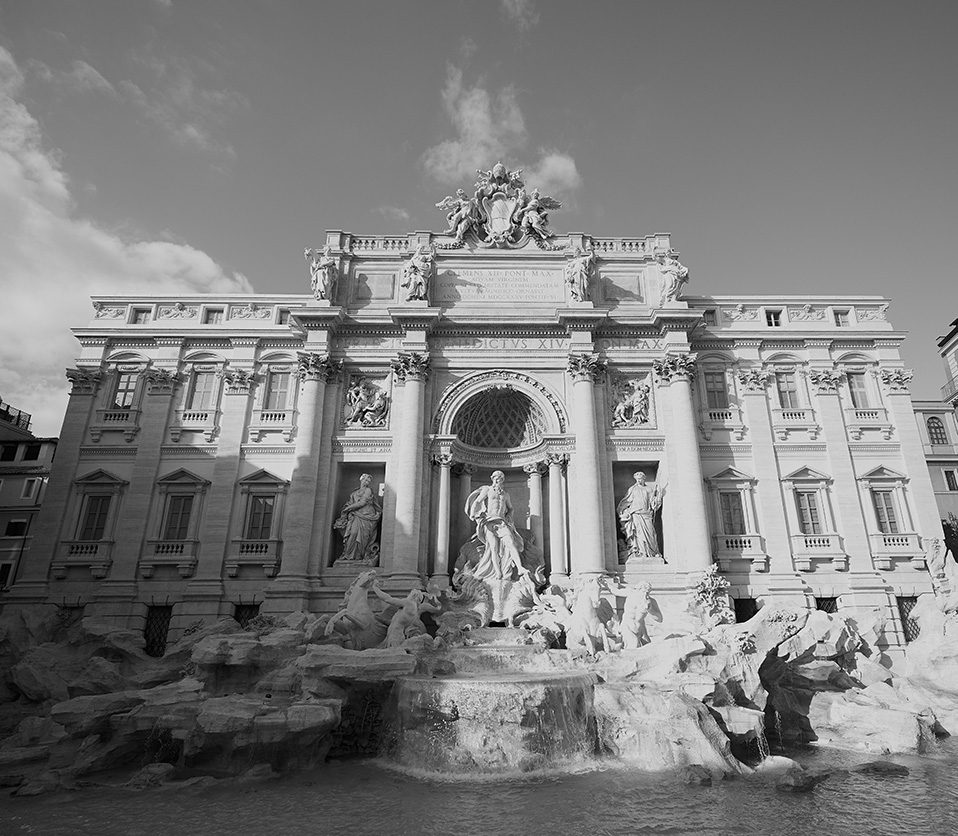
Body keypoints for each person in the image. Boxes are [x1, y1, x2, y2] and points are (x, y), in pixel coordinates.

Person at [465, 471, 528, 581]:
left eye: (499, 478)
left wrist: (509, 516)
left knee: (511, 543)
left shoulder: (505, 494)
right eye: (495, 478)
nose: (496, 480)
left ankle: (520, 568)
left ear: (502, 480)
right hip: (489, 521)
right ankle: (498, 573)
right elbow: (478, 501)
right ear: (492, 479)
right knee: (493, 548)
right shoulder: (487, 490)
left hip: (501, 522)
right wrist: (473, 514)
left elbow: (511, 508)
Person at [333, 474, 382, 563]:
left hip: (367, 516)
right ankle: (348, 555)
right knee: (353, 533)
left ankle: (359, 556)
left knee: (364, 537)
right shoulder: (354, 493)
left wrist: (349, 508)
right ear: (361, 480)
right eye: (365, 480)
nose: (366, 482)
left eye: (368, 481)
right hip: (356, 515)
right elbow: (349, 503)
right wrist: (347, 509)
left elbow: (363, 502)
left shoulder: (368, 490)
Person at [616, 472, 663, 560]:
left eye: (641, 479)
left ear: (644, 479)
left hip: (647, 515)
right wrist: (623, 512)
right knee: (638, 534)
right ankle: (640, 552)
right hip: (636, 514)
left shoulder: (649, 490)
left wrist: (658, 496)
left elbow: (653, 505)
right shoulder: (632, 489)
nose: (639, 481)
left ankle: (651, 552)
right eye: (637, 479)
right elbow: (626, 501)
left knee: (650, 534)